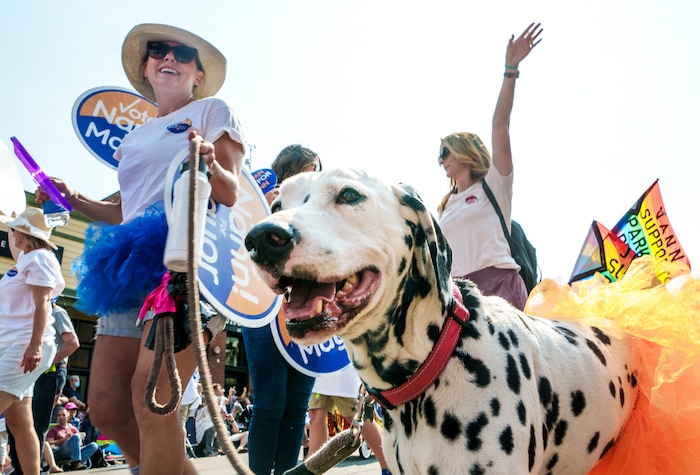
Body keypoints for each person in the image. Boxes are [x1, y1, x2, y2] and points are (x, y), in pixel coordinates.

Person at [34, 23, 246, 475]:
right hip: (128, 268)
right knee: (107, 408)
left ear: (198, 74)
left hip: (186, 265)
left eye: (182, 53)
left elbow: (230, 193)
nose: (169, 57)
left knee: (154, 403)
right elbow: (125, 214)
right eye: (158, 51)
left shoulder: (213, 110)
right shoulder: (133, 140)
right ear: (147, 68)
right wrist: (72, 199)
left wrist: (208, 159)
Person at [436, 23, 543, 311]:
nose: (440, 160)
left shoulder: (494, 186)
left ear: (463, 151)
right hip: (458, 298)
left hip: (500, 288)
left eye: (444, 151)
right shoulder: (445, 208)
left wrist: (510, 68)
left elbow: (500, 126)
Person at [241, 144, 320, 475]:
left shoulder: (319, 210)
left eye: (317, 169)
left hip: (305, 312)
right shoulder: (260, 199)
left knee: (297, 406)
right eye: (306, 168)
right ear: (288, 169)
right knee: (270, 403)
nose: (312, 175)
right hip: (263, 310)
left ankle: (287, 471)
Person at [0, 208, 65, 475]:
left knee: (19, 421)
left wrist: (35, 345)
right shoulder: (29, 259)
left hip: (24, 345)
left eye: (15, 229)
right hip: (17, 343)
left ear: (24, 233)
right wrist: (15, 220)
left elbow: (43, 305)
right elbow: (20, 254)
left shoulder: (40, 259)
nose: (11, 232)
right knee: (19, 421)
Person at [7, 304, 79, 475]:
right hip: (29, 370)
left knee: (37, 423)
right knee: (16, 421)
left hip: (49, 372)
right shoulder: (29, 311)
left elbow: (72, 343)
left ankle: (30, 470)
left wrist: (47, 362)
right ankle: (19, 468)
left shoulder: (57, 312)